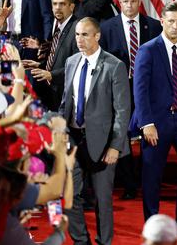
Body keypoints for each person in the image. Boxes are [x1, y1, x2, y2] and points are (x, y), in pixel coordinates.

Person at [59, 17, 131, 244]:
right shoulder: (71, 62)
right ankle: (81, 241)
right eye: (78, 35)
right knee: (70, 196)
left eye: (85, 35)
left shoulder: (114, 65)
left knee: (102, 200)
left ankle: (104, 242)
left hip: (103, 144)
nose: (79, 39)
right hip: (73, 140)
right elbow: (65, 103)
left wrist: (115, 146)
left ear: (97, 36)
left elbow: (122, 111)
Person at [132, 2, 177, 239]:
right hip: (156, 122)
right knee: (152, 173)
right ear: (162, 21)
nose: (175, 25)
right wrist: (146, 122)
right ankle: (152, 223)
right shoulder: (148, 49)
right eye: (170, 20)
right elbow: (139, 89)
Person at [100, 0, 162, 200]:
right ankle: (129, 183)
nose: (129, 5)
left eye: (133, 1)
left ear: (139, 2)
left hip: (147, 90)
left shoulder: (154, 26)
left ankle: (150, 180)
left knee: (150, 133)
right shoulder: (107, 27)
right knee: (122, 136)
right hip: (120, 89)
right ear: (120, 2)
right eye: (125, 1)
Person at [24, 0, 78, 111]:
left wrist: (51, 75)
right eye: (55, 4)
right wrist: (40, 65)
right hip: (51, 91)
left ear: (72, 6)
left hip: (66, 93)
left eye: (62, 4)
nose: (58, 8)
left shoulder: (77, 28)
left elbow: (78, 65)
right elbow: (58, 57)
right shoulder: (58, 27)